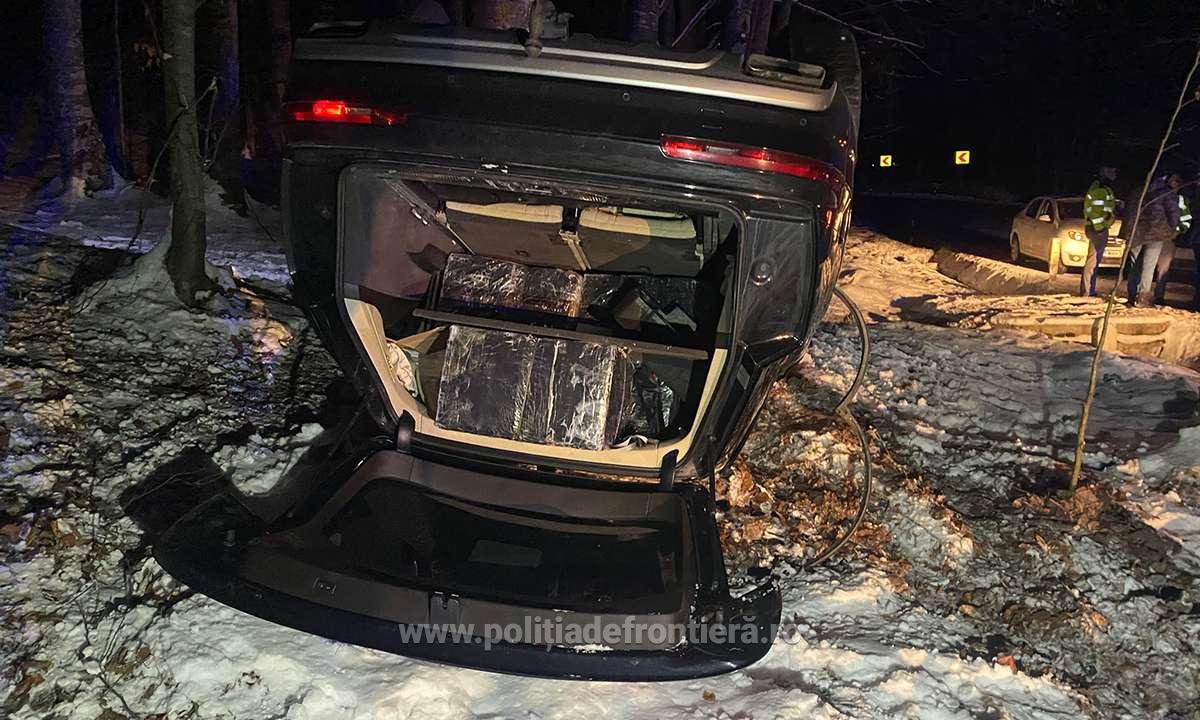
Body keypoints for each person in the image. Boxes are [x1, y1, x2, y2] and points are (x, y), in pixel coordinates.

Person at [1127, 171, 1184, 307]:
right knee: (1149, 266)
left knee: (1134, 265)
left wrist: (1128, 232)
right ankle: (1142, 297)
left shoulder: (1138, 192)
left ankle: (1132, 295)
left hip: (1137, 233)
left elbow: (1129, 212)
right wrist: (1170, 230)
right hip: (1156, 234)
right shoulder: (1166, 193)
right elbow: (1174, 213)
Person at [1080, 166, 1119, 296]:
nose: (1115, 176)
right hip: (1098, 230)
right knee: (1093, 261)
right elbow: (1094, 212)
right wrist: (1100, 227)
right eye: (1113, 173)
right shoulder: (1100, 190)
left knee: (1094, 261)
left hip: (1098, 228)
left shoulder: (1100, 188)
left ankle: (1089, 290)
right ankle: (1087, 291)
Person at [1150, 184, 1192, 304]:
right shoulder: (1159, 196)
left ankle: (1157, 296)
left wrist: (1177, 232)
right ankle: (1144, 294)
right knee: (1151, 266)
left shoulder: (1179, 199)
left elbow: (1186, 219)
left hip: (1166, 238)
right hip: (1156, 236)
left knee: (1161, 269)